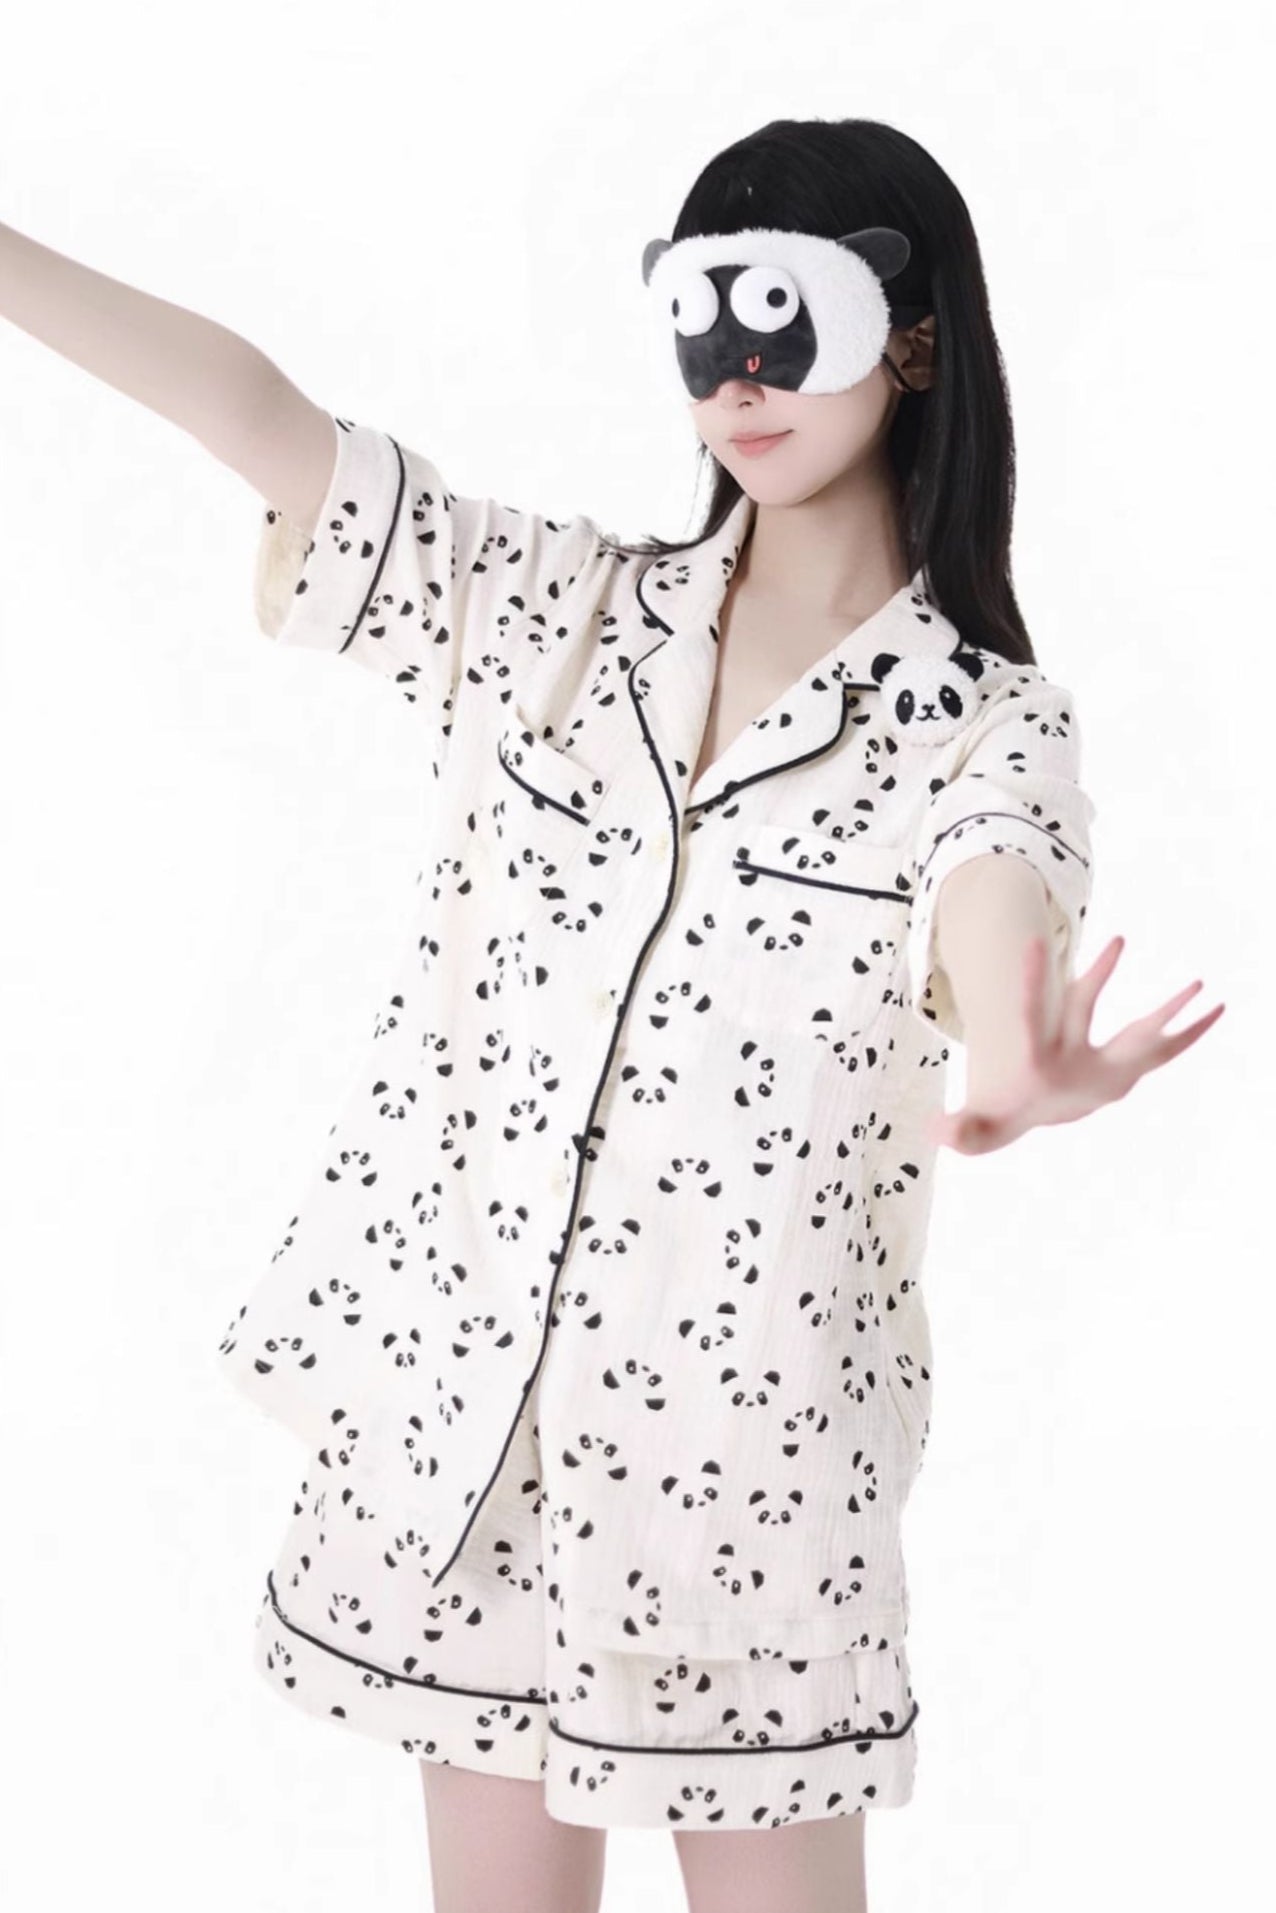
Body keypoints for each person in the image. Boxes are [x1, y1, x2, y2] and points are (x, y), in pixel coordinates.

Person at [1, 115, 1222, 1913]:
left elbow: (998, 893)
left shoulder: (981, 723)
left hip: (749, 1481)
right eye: (696, 321)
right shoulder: (554, 613)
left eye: (782, 318)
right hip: (474, 1438)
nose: (737, 377)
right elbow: (261, 418)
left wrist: (1027, 1047)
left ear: (913, 337)